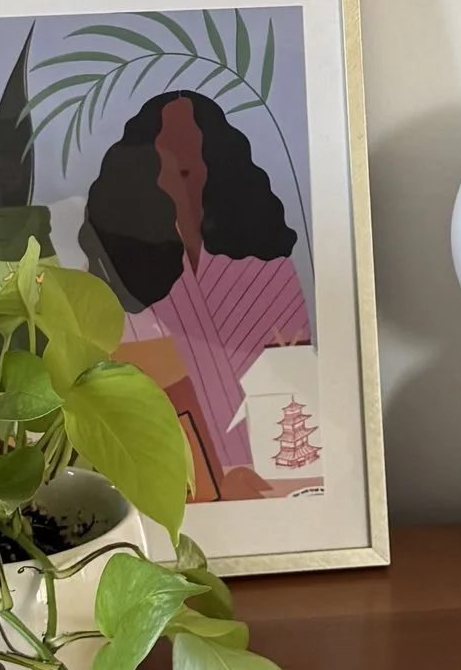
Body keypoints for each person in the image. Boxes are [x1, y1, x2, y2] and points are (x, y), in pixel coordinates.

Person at [78, 89, 313, 499]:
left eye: (194, 159)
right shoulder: (109, 278)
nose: (181, 172)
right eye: (164, 162)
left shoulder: (269, 266)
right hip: (162, 485)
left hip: (280, 478)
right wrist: (211, 480)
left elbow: (295, 392)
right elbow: (117, 408)